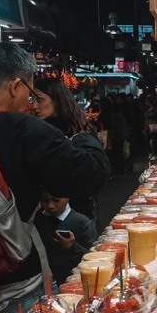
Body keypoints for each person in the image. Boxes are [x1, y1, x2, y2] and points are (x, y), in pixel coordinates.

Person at [0, 43, 110, 313]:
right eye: (28, 88)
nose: (30, 99)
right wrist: (83, 137)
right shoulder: (20, 128)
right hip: (18, 287)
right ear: (15, 85)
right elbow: (91, 175)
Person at [32, 74, 110, 228]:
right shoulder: (36, 131)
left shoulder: (77, 134)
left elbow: (98, 172)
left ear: (57, 100)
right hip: (44, 216)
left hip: (77, 217)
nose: (34, 106)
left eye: (40, 99)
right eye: (32, 100)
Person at [35, 191, 98, 286]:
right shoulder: (37, 222)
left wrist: (72, 247)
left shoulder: (81, 222)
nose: (50, 206)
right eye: (44, 201)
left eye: (56, 200)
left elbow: (94, 259)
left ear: (67, 197)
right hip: (47, 280)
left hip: (77, 281)